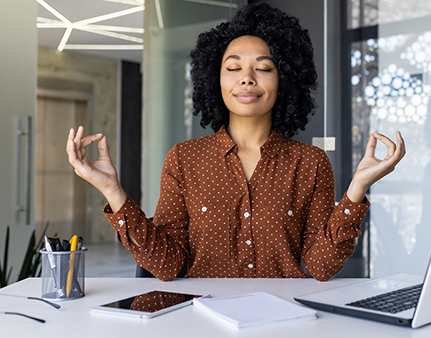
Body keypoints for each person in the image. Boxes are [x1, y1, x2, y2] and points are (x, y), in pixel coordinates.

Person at [66, 3, 405, 282]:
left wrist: (358, 187)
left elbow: (319, 267)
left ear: (284, 79)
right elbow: (167, 266)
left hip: (285, 320)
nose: (247, 77)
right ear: (215, 79)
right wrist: (112, 190)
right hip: (204, 320)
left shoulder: (311, 163)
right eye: (234, 67)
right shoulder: (184, 159)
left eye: (264, 67)